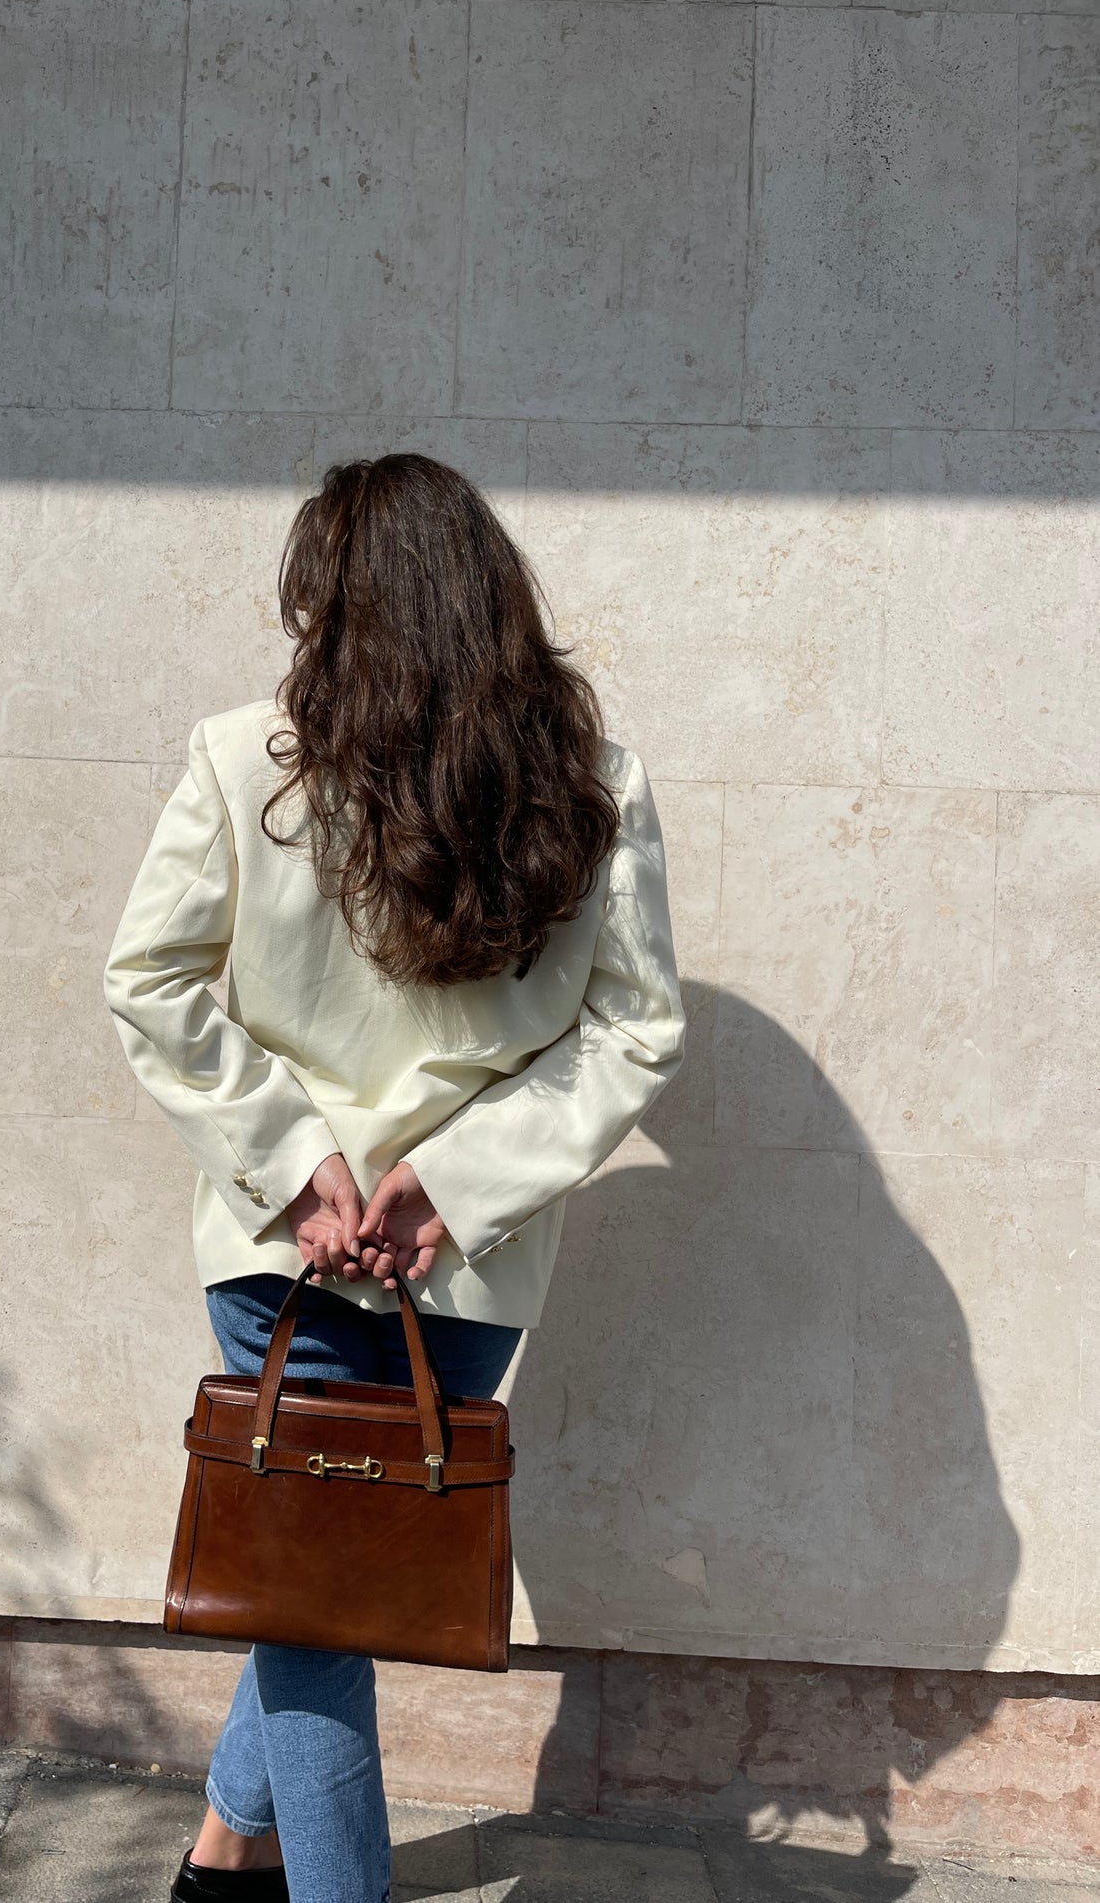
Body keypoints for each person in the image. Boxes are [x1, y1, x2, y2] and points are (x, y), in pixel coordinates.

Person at [103, 453, 687, 1903]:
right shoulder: (590, 783)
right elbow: (634, 1032)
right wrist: (448, 1181)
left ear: (332, 599)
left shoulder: (250, 761)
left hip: (285, 1246)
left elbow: (149, 981)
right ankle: (234, 1851)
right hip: (461, 1259)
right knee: (319, 1588)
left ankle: (248, 1857)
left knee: (316, 1579)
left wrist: (301, 1169)